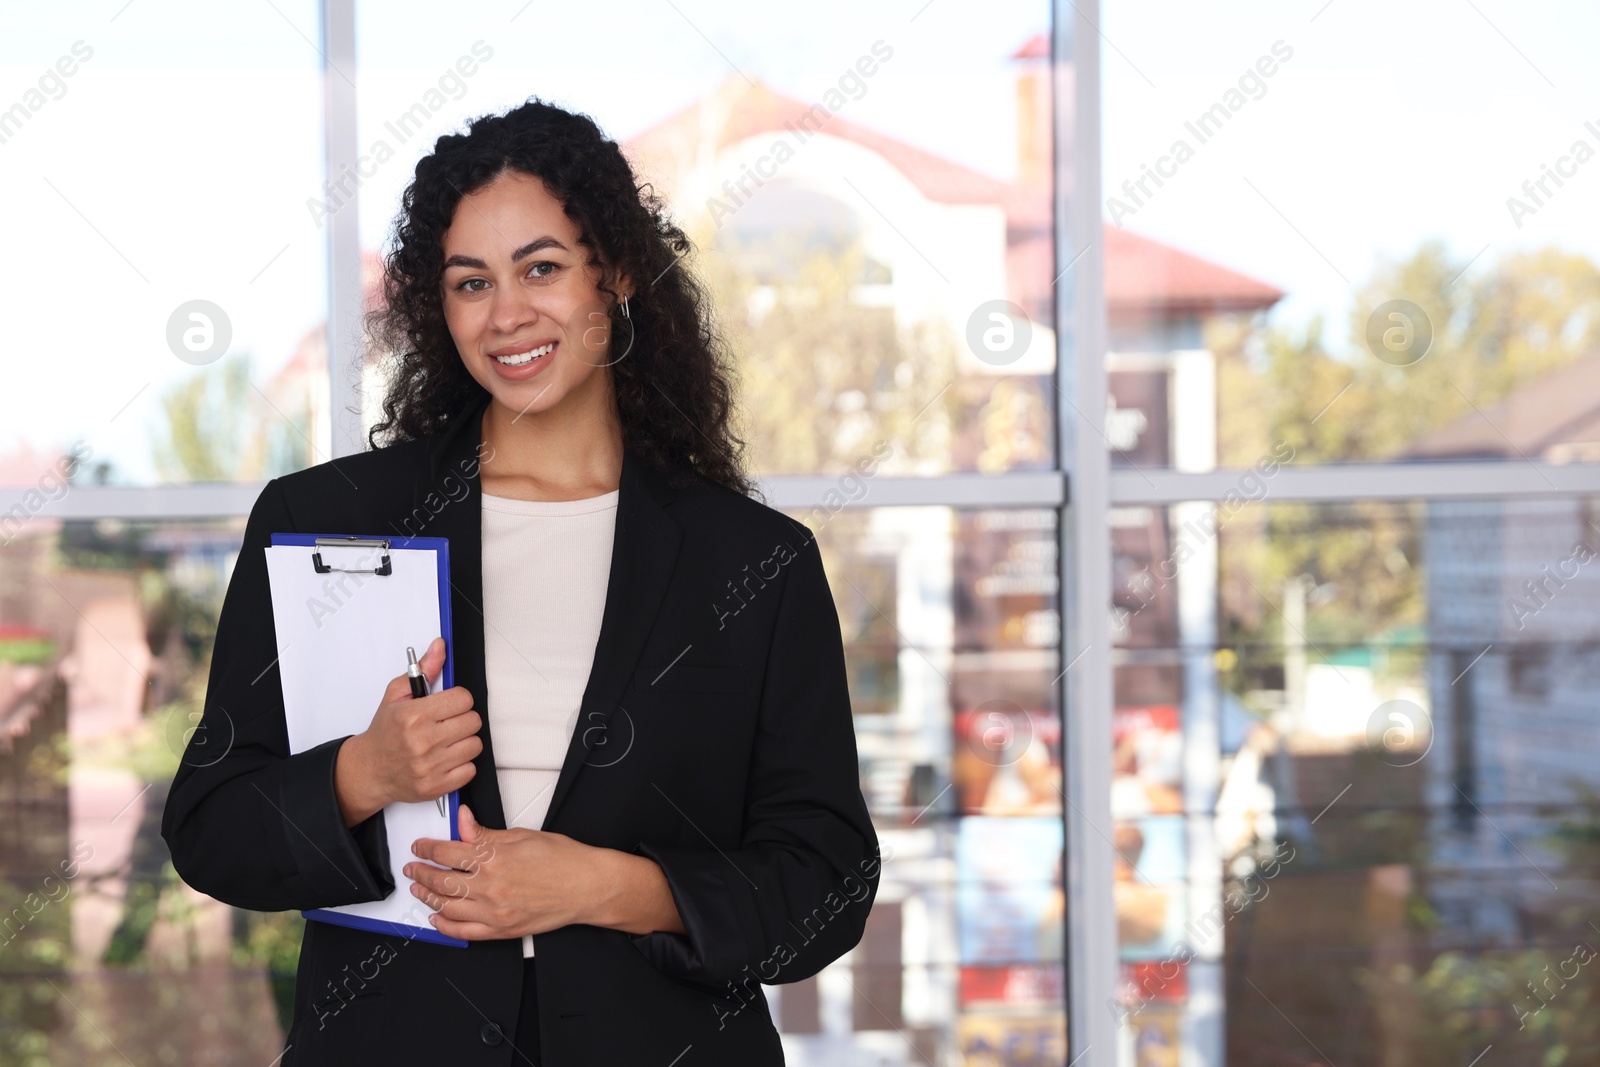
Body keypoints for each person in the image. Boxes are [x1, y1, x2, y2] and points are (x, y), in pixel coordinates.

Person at [160, 97, 881, 1065]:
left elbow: (823, 885)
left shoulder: (752, 561)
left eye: (540, 267)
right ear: (436, 304)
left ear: (615, 272)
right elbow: (212, 830)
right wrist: (362, 772)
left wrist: (598, 885)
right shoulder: (326, 521)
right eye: (470, 282)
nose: (506, 315)